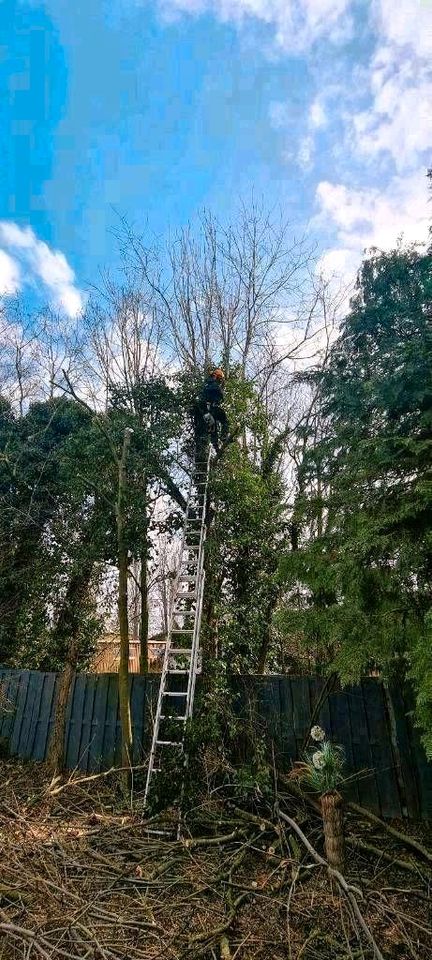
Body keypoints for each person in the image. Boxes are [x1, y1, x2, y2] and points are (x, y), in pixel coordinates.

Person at [192, 367, 229, 457]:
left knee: (212, 426)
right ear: (217, 377)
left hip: (200, 413)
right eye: (220, 380)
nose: (220, 382)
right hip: (208, 409)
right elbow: (220, 396)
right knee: (223, 419)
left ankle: (215, 447)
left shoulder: (205, 384)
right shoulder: (213, 384)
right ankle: (223, 436)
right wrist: (219, 396)